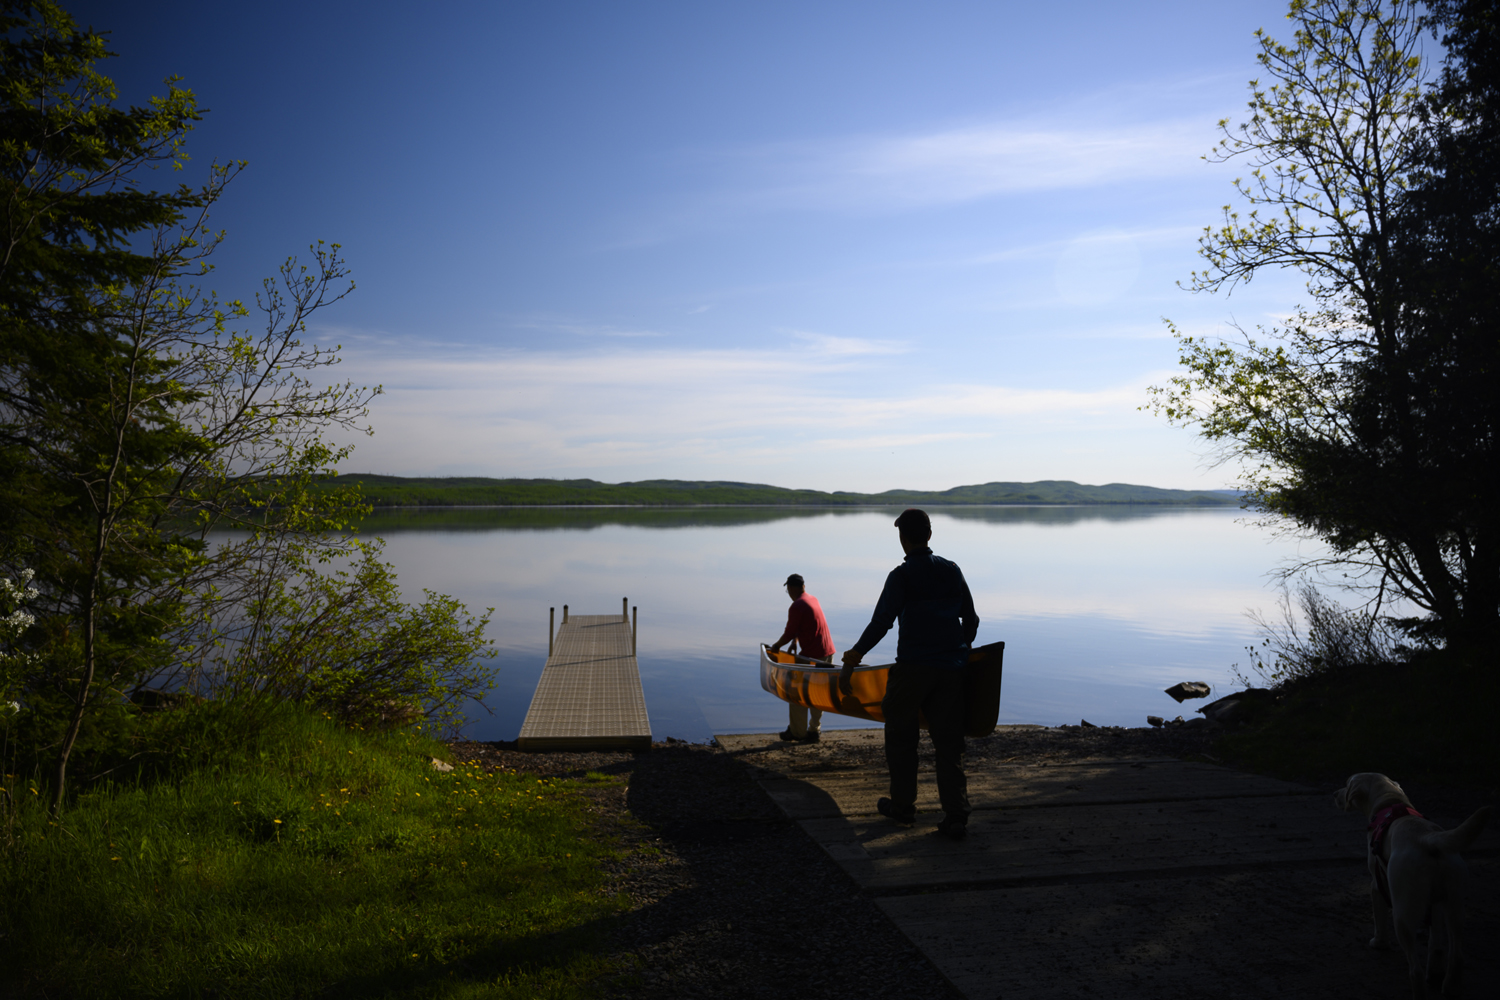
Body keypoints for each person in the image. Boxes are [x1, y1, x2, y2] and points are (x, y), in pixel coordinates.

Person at [839, 508, 978, 840]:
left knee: (902, 739)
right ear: (929, 535)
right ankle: (956, 814)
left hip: (912, 670)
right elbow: (970, 620)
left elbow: (882, 622)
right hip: (950, 671)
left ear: (903, 539)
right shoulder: (952, 570)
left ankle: (903, 806)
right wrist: (960, 652)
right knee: (949, 744)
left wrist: (855, 655)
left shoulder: (900, 576)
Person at [767, 573, 837, 743]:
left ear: (791, 589)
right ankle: (814, 730)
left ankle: (797, 732)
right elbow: (807, 624)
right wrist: (795, 641)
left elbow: (789, 631)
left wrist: (776, 647)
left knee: (796, 692)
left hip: (813, 655)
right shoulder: (812, 599)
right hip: (828, 652)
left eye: (788, 590)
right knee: (819, 693)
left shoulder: (796, 606)